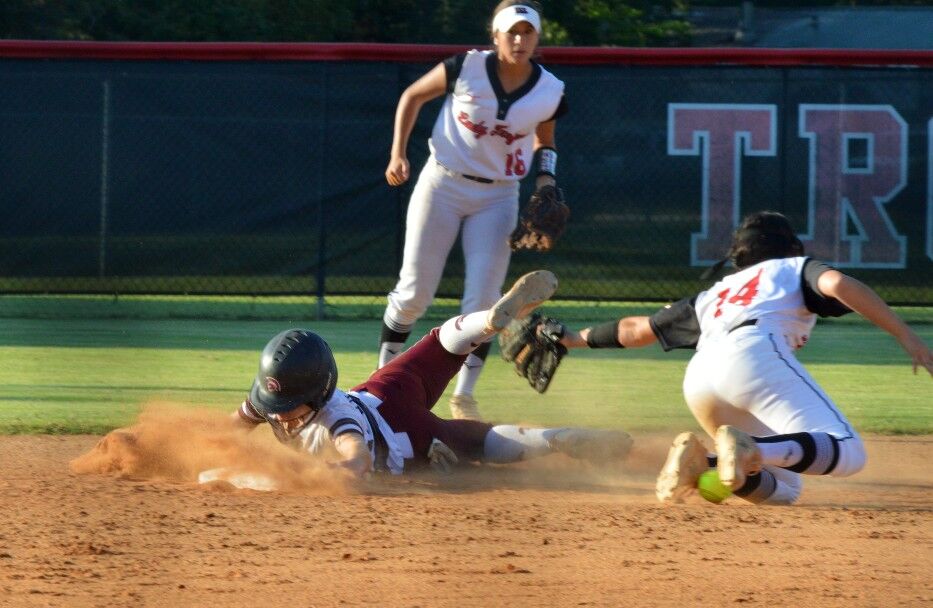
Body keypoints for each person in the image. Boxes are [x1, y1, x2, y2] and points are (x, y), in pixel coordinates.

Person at [546, 211, 932, 505]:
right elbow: (836, 284)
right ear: (790, 247)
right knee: (849, 451)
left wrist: (570, 340)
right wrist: (907, 336)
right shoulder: (792, 268)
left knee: (786, 488)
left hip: (699, 378)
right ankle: (751, 447)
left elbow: (638, 329)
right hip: (753, 355)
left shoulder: (719, 290)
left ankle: (705, 461)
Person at [233, 271, 632, 478]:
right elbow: (231, 427)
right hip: (381, 390)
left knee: (473, 442)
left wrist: (308, 473)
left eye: (288, 406)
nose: (279, 413)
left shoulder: (339, 421)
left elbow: (356, 463)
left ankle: (555, 439)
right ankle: (488, 322)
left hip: (403, 431)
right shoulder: (272, 396)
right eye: (274, 403)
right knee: (441, 343)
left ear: (317, 396)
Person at [380, 1, 568, 421]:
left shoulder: (549, 89)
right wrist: (397, 154)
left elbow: (546, 139)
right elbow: (413, 96)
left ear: (538, 39)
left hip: (499, 195)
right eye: (511, 32)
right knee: (414, 292)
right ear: (495, 35)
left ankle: (462, 397)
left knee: (486, 301)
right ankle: (383, 381)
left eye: (528, 33)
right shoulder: (465, 67)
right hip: (442, 183)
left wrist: (546, 180)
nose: (519, 40)